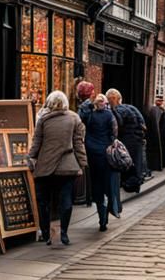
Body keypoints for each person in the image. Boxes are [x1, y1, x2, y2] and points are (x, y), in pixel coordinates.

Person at [27, 90, 87, 246]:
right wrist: (82, 164)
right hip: (67, 166)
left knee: (43, 201)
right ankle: (64, 233)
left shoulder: (43, 119)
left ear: (50, 103)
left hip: (45, 166)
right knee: (65, 200)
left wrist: (30, 157)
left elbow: (36, 142)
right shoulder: (74, 118)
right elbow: (78, 143)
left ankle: (46, 233)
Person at [83, 93, 119, 230]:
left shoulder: (89, 115)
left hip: (92, 153)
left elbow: (82, 120)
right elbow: (115, 132)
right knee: (108, 184)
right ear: (104, 103)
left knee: (97, 185)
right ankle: (109, 211)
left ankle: (101, 217)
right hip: (106, 154)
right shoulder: (109, 115)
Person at [107, 88, 146, 191]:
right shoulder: (132, 108)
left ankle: (129, 183)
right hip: (137, 140)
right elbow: (142, 124)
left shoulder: (117, 110)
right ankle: (136, 182)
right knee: (136, 162)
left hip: (126, 140)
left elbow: (119, 124)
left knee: (126, 163)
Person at [146, 95, 165, 173]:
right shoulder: (155, 110)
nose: (161, 102)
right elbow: (155, 125)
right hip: (155, 135)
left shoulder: (159, 110)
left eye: (161, 100)